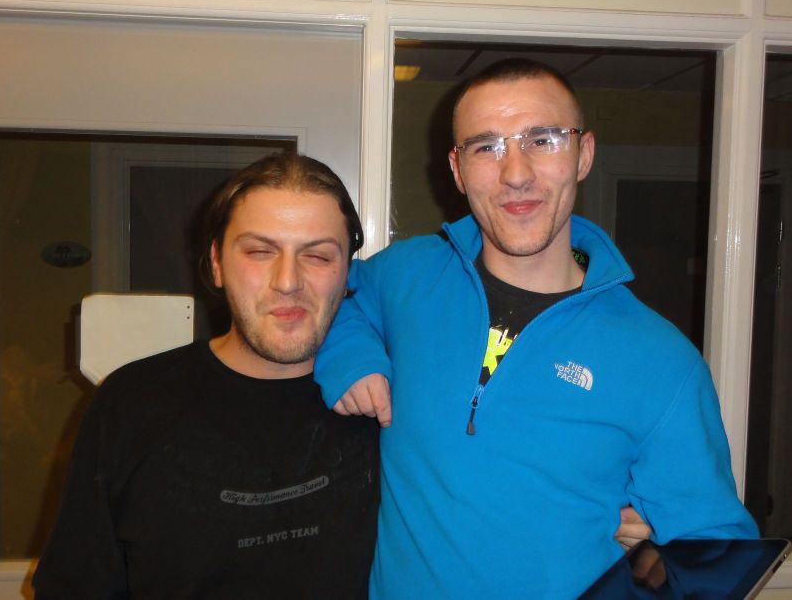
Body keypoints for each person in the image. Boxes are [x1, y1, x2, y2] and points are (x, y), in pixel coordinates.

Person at [313, 59, 758, 599]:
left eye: (543, 140)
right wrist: (352, 357)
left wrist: (656, 563)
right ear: (457, 169)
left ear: (583, 155)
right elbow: (329, 295)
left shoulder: (663, 362)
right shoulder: (407, 274)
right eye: (486, 147)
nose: (516, 173)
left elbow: (716, 555)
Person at [32, 153, 379, 599]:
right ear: (216, 263)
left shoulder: (385, 407)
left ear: (348, 272)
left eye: (316, 255)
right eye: (260, 251)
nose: (287, 281)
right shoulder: (132, 403)